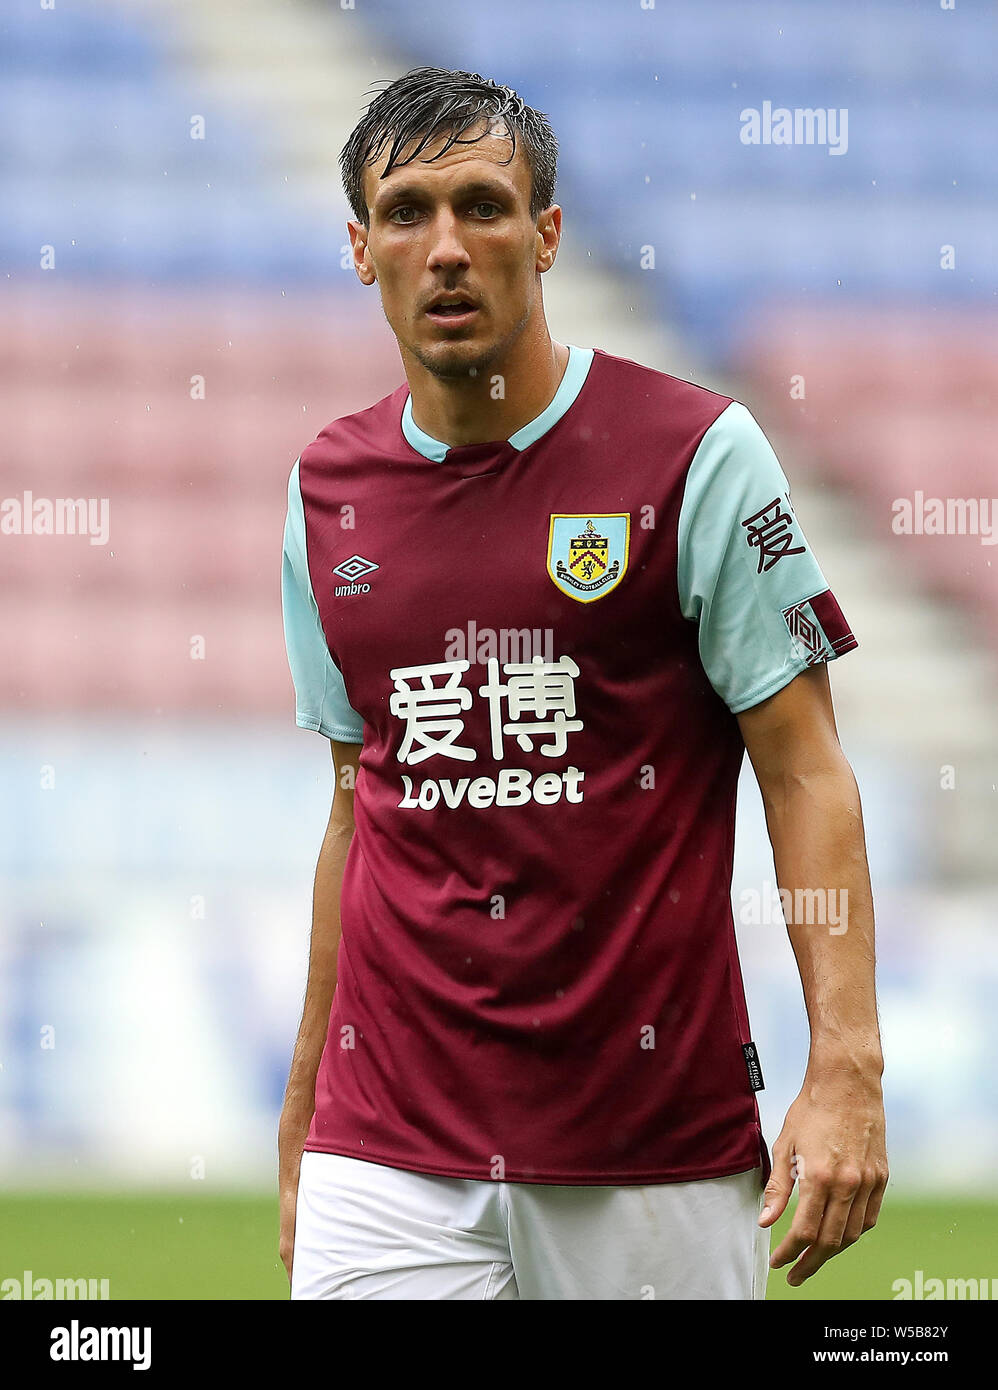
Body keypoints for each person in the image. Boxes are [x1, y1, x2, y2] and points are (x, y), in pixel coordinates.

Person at [278, 65, 887, 1300]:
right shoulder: (324, 490)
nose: (444, 247)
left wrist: (845, 1068)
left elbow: (804, 768)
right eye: (405, 213)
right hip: (385, 1150)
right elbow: (359, 808)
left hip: (646, 1151)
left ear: (546, 233)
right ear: (359, 248)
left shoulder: (692, 454)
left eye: (480, 206)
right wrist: (306, 1122)